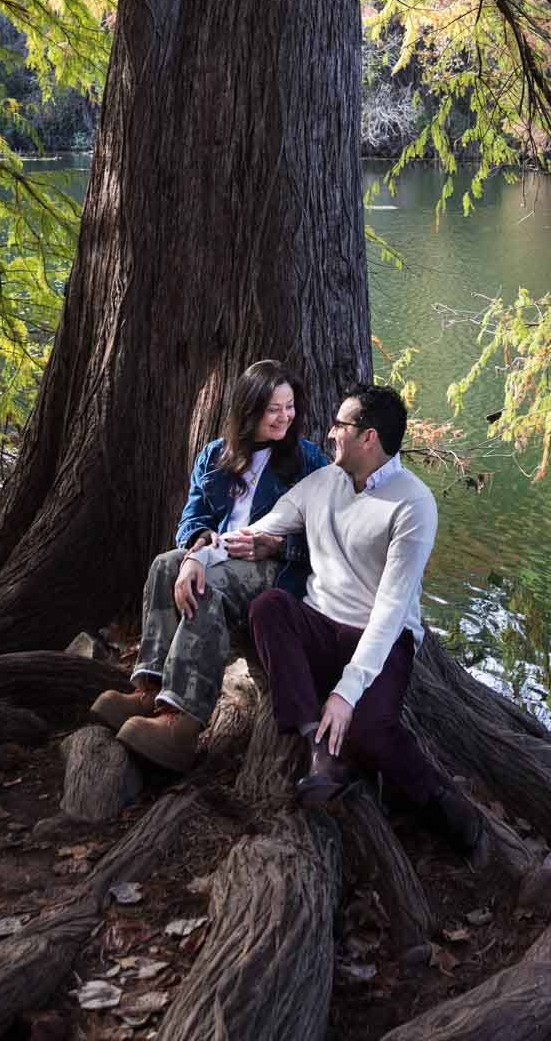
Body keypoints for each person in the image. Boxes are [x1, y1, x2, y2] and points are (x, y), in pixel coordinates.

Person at [209, 381, 481, 852]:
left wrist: (346, 693)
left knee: (372, 735)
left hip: (379, 640)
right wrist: (199, 558)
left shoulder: (413, 504)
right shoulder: (322, 483)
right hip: (318, 625)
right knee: (269, 607)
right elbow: (259, 531)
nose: (329, 432)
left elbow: (390, 613)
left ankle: (442, 805)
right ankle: (316, 740)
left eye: (340, 425)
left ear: (368, 437)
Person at [89, 360, 328, 769]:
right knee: (166, 565)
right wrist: (196, 549)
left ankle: (182, 722)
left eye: (289, 407)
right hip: (216, 554)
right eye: (274, 408)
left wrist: (276, 545)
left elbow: (329, 538)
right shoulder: (217, 455)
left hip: (273, 567)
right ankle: (151, 687)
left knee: (210, 586)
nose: (284, 417)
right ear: (248, 409)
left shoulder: (309, 463)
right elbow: (193, 517)